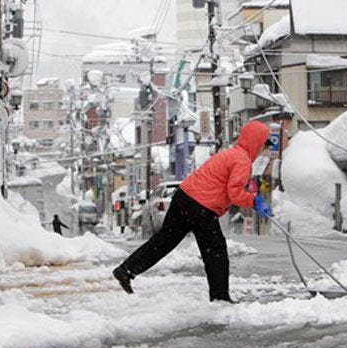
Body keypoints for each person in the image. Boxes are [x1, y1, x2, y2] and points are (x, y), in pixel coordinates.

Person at [112, 120, 274, 302]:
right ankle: (220, 298)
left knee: (165, 240)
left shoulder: (230, 154)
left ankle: (126, 270)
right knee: (216, 251)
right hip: (201, 206)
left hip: (183, 197)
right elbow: (235, 192)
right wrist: (254, 201)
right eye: (264, 145)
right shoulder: (242, 161)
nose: (264, 150)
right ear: (256, 142)